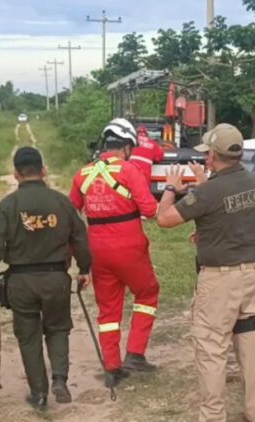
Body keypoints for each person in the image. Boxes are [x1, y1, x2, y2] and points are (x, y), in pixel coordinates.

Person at [156, 123, 255, 422]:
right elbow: (233, 216)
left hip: (220, 280)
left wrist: (170, 188)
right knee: (250, 343)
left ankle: (213, 415)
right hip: (251, 274)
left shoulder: (208, 191)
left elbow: (164, 219)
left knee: (211, 347)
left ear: (212, 156)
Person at [0, 146, 92, 411]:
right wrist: (85, 269)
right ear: (43, 171)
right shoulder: (62, 202)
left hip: (21, 282)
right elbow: (80, 238)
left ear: (16, 174)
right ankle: (60, 380)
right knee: (58, 328)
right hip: (56, 278)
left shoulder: (8, 205)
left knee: (28, 337)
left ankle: (39, 393)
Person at [69, 118, 161, 387]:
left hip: (96, 249)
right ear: (128, 146)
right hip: (129, 246)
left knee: (108, 310)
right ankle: (135, 353)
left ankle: (112, 367)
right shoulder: (130, 170)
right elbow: (150, 210)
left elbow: (71, 213)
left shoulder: (82, 174)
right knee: (147, 292)